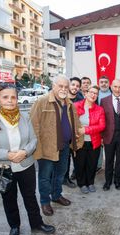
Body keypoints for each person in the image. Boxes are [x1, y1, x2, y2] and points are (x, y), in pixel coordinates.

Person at [0, 83, 55, 235]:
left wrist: (25, 152)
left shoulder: (25, 116)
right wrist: (7, 155)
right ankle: (14, 227)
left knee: (30, 197)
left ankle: (37, 223)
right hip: (4, 168)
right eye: (5, 97)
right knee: (9, 199)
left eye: (13, 97)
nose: (10, 101)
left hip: (25, 164)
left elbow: (33, 139)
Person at [30, 75, 84, 216]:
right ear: (53, 86)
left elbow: (76, 122)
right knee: (45, 176)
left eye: (66, 87)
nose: (64, 89)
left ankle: (56, 195)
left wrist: (78, 136)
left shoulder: (69, 104)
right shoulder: (42, 102)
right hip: (47, 147)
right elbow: (33, 125)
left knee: (60, 174)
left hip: (65, 146)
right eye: (60, 86)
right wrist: (37, 147)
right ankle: (45, 202)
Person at [100, 79, 120, 191]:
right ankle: (108, 181)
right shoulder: (104, 101)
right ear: (111, 87)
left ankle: (117, 180)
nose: (118, 89)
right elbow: (102, 119)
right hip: (108, 135)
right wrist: (101, 136)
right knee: (108, 160)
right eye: (115, 87)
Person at [74, 85, 106, 193]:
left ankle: (90, 182)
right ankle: (82, 183)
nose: (93, 95)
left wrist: (86, 130)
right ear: (86, 93)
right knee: (80, 163)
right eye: (91, 92)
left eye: (96, 93)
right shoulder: (76, 106)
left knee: (92, 164)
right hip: (80, 141)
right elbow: (71, 123)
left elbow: (102, 126)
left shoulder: (100, 109)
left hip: (94, 141)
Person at [64, 76, 84, 189]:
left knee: (77, 157)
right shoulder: (62, 98)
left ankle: (76, 175)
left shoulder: (81, 99)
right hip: (64, 134)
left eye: (77, 86)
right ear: (68, 85)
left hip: (76, 134)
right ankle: (65, 178)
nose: (75, 87)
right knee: (65, 158)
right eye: (73, 85)